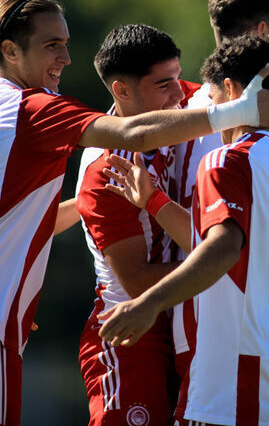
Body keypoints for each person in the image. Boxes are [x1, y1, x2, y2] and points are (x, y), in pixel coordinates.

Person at [0, 0, 269, 426]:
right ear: (9, 51)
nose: (66, 57)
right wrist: (239, 112)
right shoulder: (44, 119)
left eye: (66, 43)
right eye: (52, 45)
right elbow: (135, 135)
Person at [98, 35, 269, 426]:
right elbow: (237, 251)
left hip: (233, 382)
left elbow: (223, 250)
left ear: (234, 91)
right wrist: (154, 201)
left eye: (214, 97)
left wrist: (148, 303)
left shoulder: (226, 160)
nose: (212, 109)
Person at [75, 24, 192, 426]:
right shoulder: (106, 173)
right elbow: (138, 280)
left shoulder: (171, 103)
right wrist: (223, 260)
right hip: (129, 335)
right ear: (122, 92)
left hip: (179, 318)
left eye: (179, 78)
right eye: (165, 85)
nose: (181, 95)